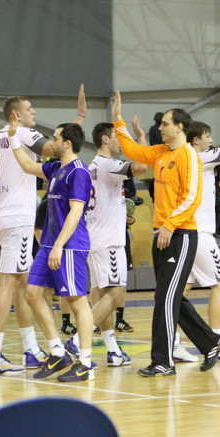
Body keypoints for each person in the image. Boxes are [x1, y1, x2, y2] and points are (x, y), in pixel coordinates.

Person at [112, 90, 220, 377]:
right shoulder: (162, 152)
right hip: (161, 234)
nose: (159, 128)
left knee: (165, 298)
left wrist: (169, 225)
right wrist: (117, 120)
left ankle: (163, 361)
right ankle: (211, 343)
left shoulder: (189, 155)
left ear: (180, 127)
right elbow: (134, 152)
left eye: (164, 123)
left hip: (181, 235)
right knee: (168, 296)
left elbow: (192, 198)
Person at [0, 86, 86, 374]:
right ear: (17, 114)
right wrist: (77, 121)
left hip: (2, 216)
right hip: (17, 218)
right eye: (30, 109)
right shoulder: (24, 135)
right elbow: (59, 148)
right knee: (7, 285)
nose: (35, 113)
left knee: (27, 286)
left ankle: (31, 348)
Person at [154, 120, 220, 363]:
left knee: (180, 291)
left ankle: (172, 342)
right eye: (207, 136)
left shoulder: (182, 157)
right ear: (195, 140)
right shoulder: (198, 157)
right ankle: (215, 343)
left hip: (186, 233)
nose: (211, 141)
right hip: (199, 233)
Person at [7, 117, 96, 382]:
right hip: (49, 244)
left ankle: (86, 363)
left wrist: (58, 245)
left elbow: (76, 210)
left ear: (67, 143)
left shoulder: (79, 172)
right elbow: (25, 165)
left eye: (55, 138)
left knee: (77, 300)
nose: (51, 142)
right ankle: (58, 353)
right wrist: (13, 137)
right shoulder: (56, 167)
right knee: (33, 293)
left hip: (68, 246)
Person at [61, 122, 146, 368]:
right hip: (108, 242)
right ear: (106, 140)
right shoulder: (108, 165)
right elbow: (140, 167)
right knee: (116, 295)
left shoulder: (93, 166)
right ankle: (77, 341)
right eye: (118, 138)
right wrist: (139, 141)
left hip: (96, 238)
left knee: (101, 296)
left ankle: (112, 351)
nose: (121, 143)